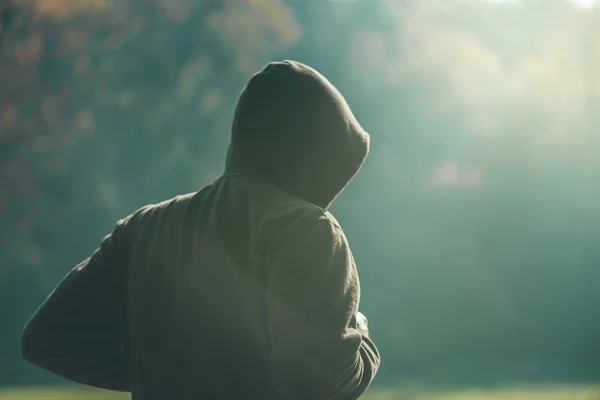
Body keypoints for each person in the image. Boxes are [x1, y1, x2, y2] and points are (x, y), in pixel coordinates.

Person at [20, 60, 381, 399]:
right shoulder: (308, 230)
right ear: (319, 153)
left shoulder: (144, 226)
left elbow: (46, 339)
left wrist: (160, 372)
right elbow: (318, 382)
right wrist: (361, 338)